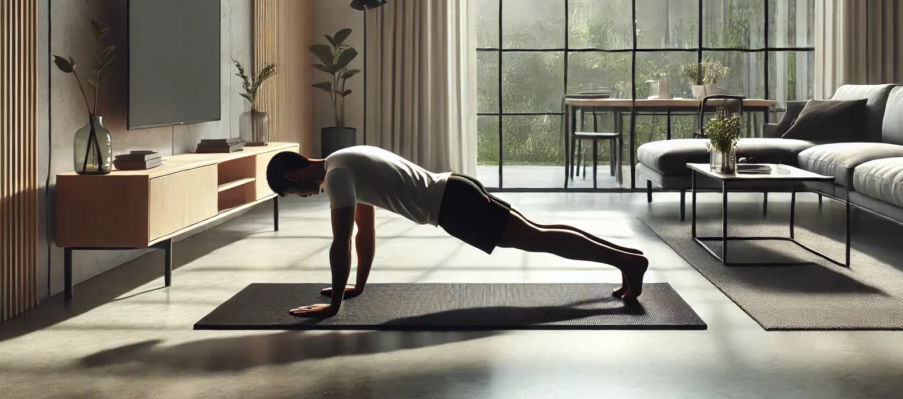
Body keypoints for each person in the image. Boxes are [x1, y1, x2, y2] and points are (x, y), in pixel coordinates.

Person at [266, 146, 649, 319]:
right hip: (455, 188)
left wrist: (334, 308)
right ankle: (628, 261)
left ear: (292, 175)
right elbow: (363, 233)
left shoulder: (337, 176)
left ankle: (628, 261)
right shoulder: (344, 159)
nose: (301, 196)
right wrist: (358, 288)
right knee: (540, 233)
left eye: (293, 192)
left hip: (452, 206)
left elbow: (340, 243)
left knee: (539, 239)